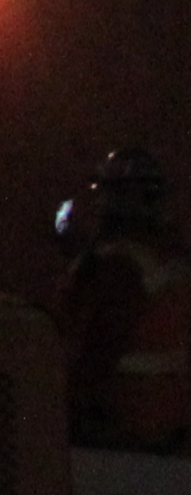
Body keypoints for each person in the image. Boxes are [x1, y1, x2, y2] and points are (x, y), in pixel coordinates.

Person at [60, 148, 191, 450]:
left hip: (121, 432)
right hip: (168, 432)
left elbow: (91, 357)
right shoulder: (172, 258)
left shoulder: (116, 267)